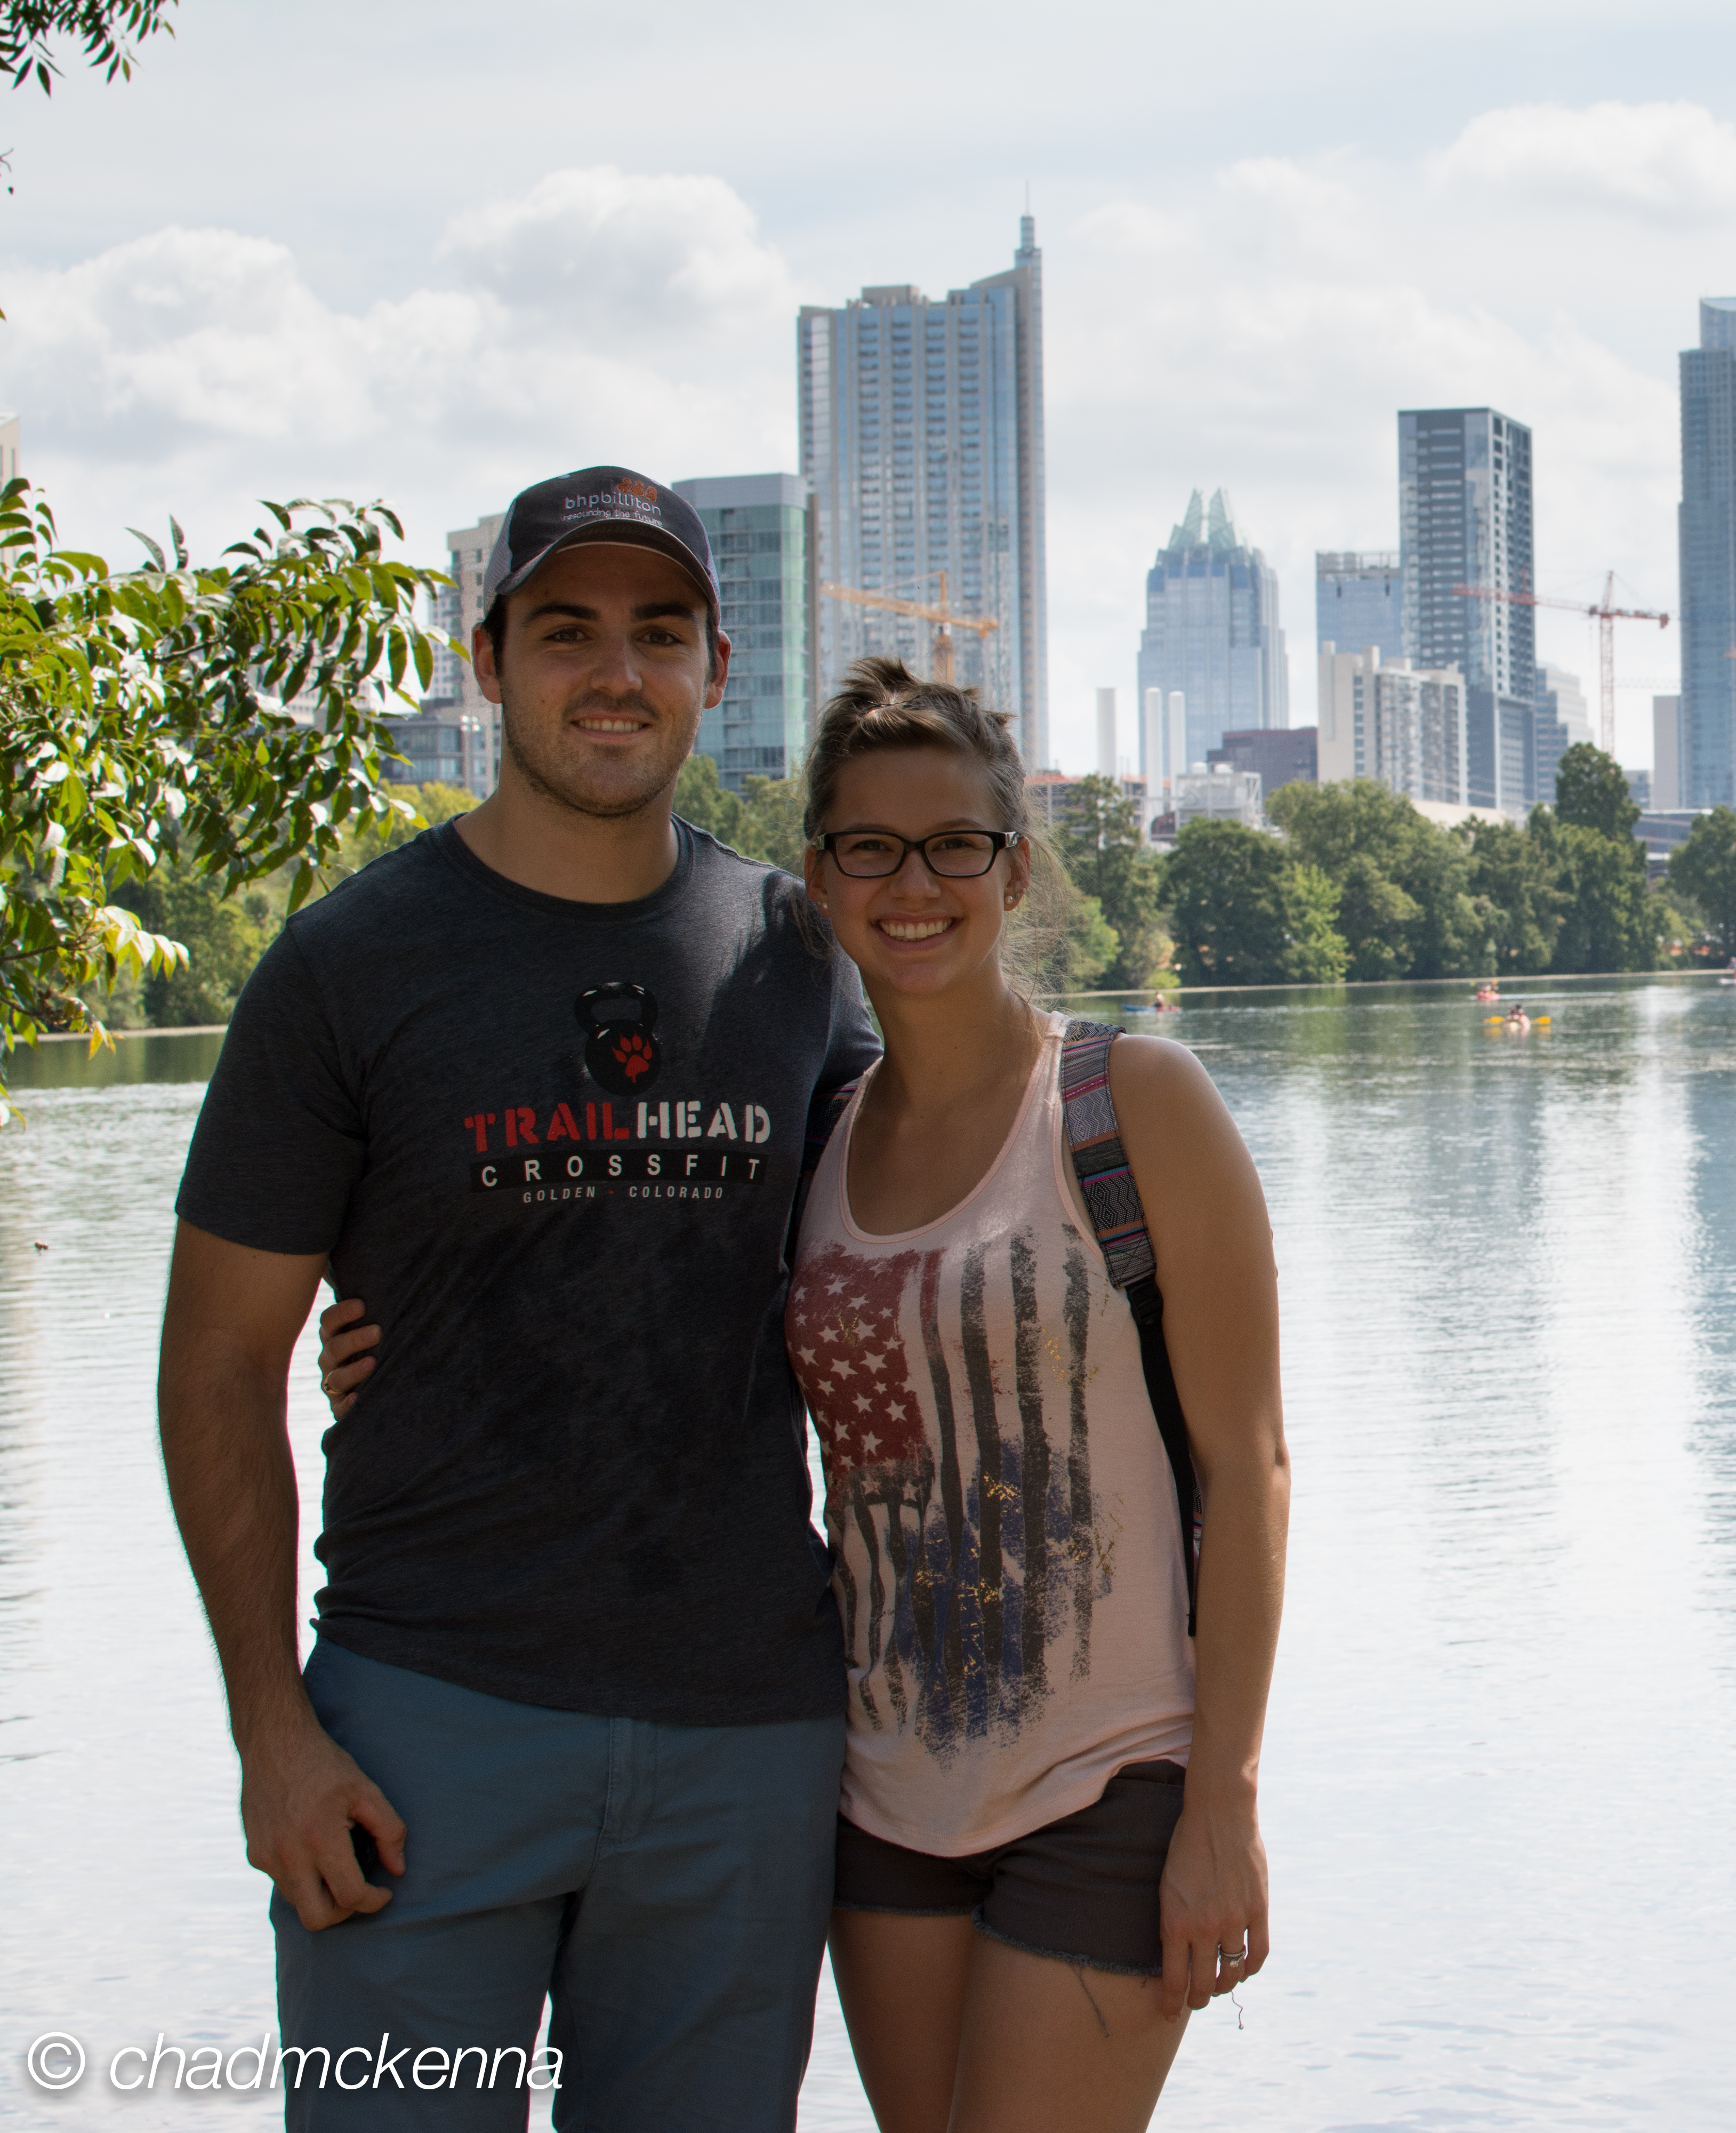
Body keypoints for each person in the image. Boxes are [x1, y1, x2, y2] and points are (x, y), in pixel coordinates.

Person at [327, 658, 1290, 2133]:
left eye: (955, 843)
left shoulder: (1131, 1105)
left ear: (1015, 864)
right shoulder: (814, 1138)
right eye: (869, 848)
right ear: (820, 881)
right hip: (880, 1799)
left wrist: (1222, 1794)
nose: (916, 883)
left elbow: (1252, 1465)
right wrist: (394, 1340)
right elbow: (643, 1280)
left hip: (1109, 1785)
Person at [157, 466, 879, 2128]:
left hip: (744, 1739)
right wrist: (274, 1734)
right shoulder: (349, 966)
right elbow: (213, 1374)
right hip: (425, 1730)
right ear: (484, 662)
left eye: (658, 633)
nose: (613, 673)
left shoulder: (796, 955)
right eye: (565, 632)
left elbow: (920, 1244)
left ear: (717, 669)